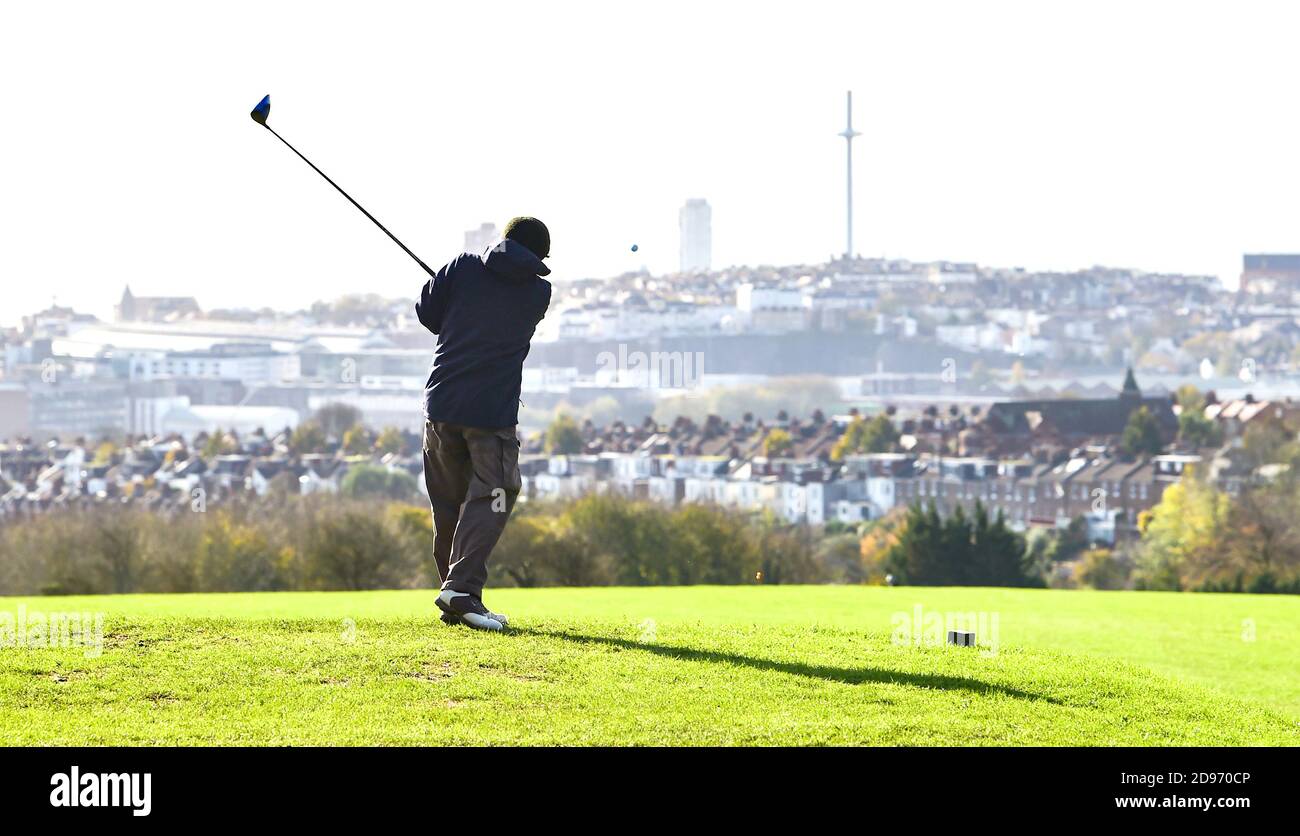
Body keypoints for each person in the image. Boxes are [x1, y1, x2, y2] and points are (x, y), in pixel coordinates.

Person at [415, 217, 552, 630]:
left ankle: (456, 594)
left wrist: (456, 290)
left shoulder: (461, 267)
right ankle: (461, 590)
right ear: (540, 258)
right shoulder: (538, 292)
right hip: (490, 415)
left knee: (449, 502)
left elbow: (429, 316)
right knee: (497, 490)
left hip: (441, 406)